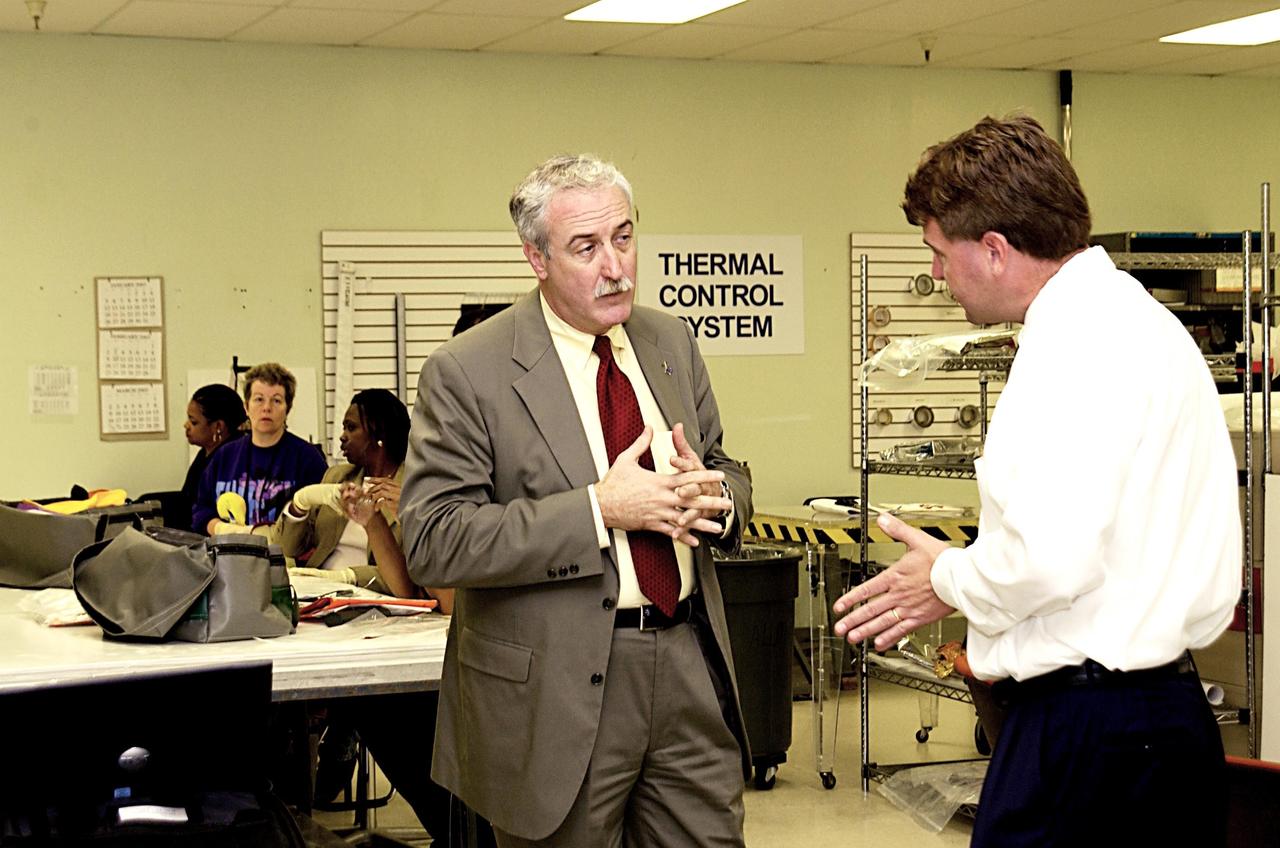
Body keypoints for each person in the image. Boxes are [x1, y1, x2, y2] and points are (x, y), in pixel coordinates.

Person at [832, 115, 1240, 847]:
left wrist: (949, 576)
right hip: (1165, 720)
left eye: (938, 253)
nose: (936, 275)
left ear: (993, 250)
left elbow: (1050, 562)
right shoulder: (1145, 326)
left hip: (1086, 736)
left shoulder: (1071, 347)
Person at [400, 153, 753, 847]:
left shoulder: (669, 341)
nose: (615, 267)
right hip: (554, 690)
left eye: (623, 238)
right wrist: (599, 509)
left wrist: (716, 500)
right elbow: (434, 538)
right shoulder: (469, 371)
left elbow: (722, 466)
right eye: (586, 248)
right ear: (537, 259)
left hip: (685, 661)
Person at [273, 388, 456, 839]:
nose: (341, 437)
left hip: (387, 614)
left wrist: (406, 514)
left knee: (381, 708)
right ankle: (284, 810)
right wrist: (314, 506)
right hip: (331, 604)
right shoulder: (340, 475)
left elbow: (424, 592)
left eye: (351, 427)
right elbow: (285, 548)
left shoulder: (422, 484)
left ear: (379, 436)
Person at [193, 362, 327, 534]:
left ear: (288, 408)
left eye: (276, 400)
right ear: (246, 407)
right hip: (228, 556)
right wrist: (224, 530)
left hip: (285, 558)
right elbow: (201, 511)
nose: (266, 408)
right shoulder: (224, 456)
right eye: (259, 399)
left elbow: (322, 521)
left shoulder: (307, 458)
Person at [176, 383, 247, 532]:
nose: (186, 425)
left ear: (218, 427)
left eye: (193, 422)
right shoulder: (205, 453)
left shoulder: (233, 460)